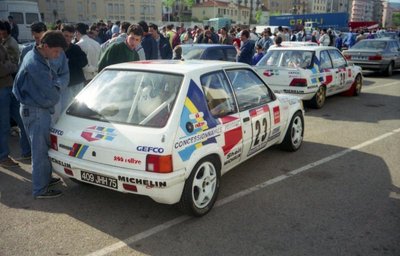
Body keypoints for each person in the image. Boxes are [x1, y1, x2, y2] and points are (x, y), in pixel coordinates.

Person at [13, 31, 68, 199]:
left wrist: (54, 82)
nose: (57, 55)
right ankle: (40, 189)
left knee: (41, 149)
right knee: (39, 151)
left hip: (34, 108)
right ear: (45, 46)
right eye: (56, 51)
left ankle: (44, 180)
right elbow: (53, 95)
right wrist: (57, 83)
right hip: (36, 111)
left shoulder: (34, 54)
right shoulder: (36, 64)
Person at [0, 43, 31, 167]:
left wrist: (8, 65)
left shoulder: (2, 44)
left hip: (9, 87)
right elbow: (5, 68)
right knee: (3, 126)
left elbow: (14, 64)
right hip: (2, 90)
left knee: (23, 119)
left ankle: (27, 151)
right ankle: (3, 157)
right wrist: (10, 66)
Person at [61, 25, 88, 109]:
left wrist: (70, 61)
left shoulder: (76, 48)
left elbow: (84, 62)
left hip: (77, 83)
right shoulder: (56, 49)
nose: (68, 38)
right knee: (65, 109)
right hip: (65, 86)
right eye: (66, 36)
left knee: (80, 108)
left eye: (71, 36)